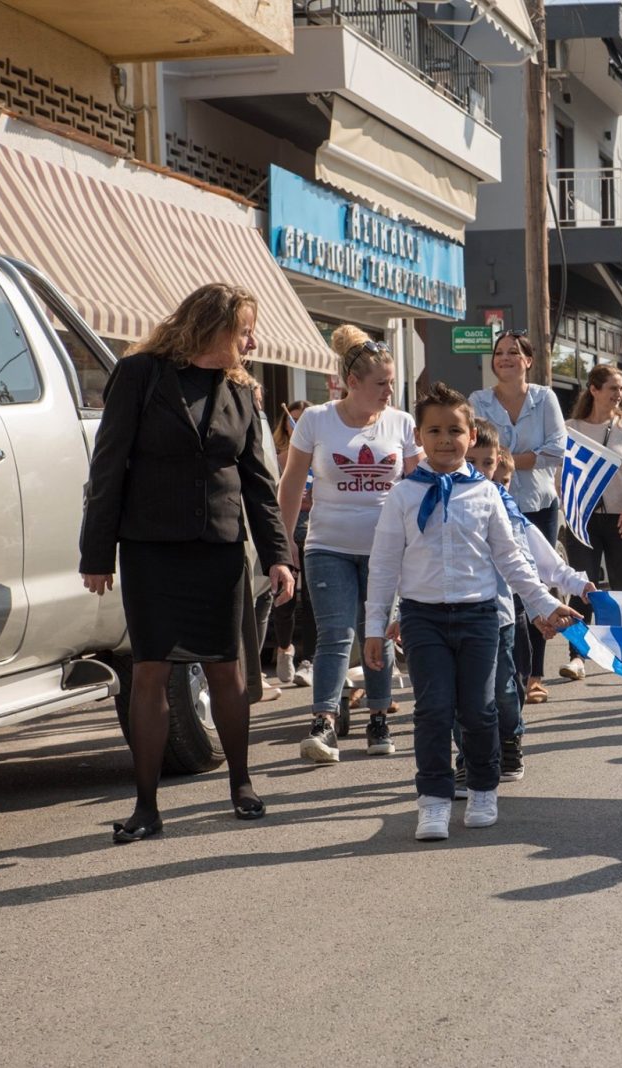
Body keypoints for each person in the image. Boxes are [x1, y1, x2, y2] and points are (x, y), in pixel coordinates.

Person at [79, 283, 295, 842]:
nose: (252, 341)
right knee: (150, 671)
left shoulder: (241, 392)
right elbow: (108, 467)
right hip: (152, 549)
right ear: (213, 327)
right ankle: (146, 806)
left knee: (229, 668)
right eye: (244, 330)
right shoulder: (142, 374)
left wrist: (278, 555)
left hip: (219, 549)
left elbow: (258, 485)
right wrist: (96, 552)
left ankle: (242, 783)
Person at [364, 384, 580, 842]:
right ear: (419, 436)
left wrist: (544, 603)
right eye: (435, 430)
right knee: (434, 710)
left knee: (480, 710)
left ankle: (483, 787)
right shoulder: (402, 496)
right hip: (423, 618)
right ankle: (434, 800)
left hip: (480, 615)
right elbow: (383, 565)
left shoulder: (485, 494)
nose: (446, 439)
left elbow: (511, 560)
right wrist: (373, 627)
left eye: (455, 430)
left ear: (471, 435)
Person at [278, 326, 419, 763]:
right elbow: (290, 485)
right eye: (382, 384)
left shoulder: (402, 423)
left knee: (376, 633)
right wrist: (284, 547)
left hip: (385, 550)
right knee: (336, 634)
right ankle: (323, 723)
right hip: (328, 546)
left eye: (392, 383)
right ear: (352, 383)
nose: (390, 391)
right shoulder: (317, 420)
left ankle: (379, 718)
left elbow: (418, 487)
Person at [463, 422, 593, 789]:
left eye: (490, 466)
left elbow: (541, 561)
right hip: (460, 613)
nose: (481, 472)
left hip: (508, 615)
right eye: (471, 462)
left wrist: (574, 585)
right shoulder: (446, 505)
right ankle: (466, 758)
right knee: (466, 692)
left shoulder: (510, 514)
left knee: (508, 690)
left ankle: (509, 740)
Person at [469, 333, 566, 705]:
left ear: (529, 360)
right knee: (500, 590)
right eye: (498, 353)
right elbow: (474, 448)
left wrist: (503, 459)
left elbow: (556, 451)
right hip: (490, 504)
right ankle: (504, 672)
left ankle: (534, 675)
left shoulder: (545, 398)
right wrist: (517, 457)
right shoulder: (478, 400)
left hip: (538, 504)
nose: (505, 358)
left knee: (536, 589)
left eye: (513, 352)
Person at [561, 365, 622, 686]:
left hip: (621, 519)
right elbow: (563, 475)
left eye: (621, 388)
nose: (619, 394)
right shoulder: (571, 428)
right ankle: (576, 655)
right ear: (594, 390)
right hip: (582, 520)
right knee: (582, 588)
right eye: (612, 387)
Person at [268, 400, 313, 689]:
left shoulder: (322, 456)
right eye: (291, 419)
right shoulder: (278, 459)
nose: (295, 425)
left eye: (302, 420)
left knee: (312, 602)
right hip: (287, 535)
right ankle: (285, 648)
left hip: (316, 535)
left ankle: (308, 661)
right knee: (285, 597)